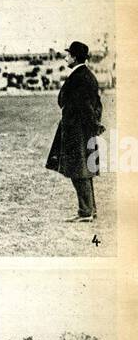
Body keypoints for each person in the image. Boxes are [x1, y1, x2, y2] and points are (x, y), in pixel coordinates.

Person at [45, 40, 104, 222]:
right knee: (84, 170)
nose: (65, 57)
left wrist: (92, 126)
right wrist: (94, 125)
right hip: (81, 129)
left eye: (68, 54)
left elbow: (86, 106)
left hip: (78, 131)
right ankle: (90, 210)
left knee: (79, 171)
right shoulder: (86, 76)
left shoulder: (80, 77)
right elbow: (97, 105)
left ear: (75, 57)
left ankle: (85, 212)